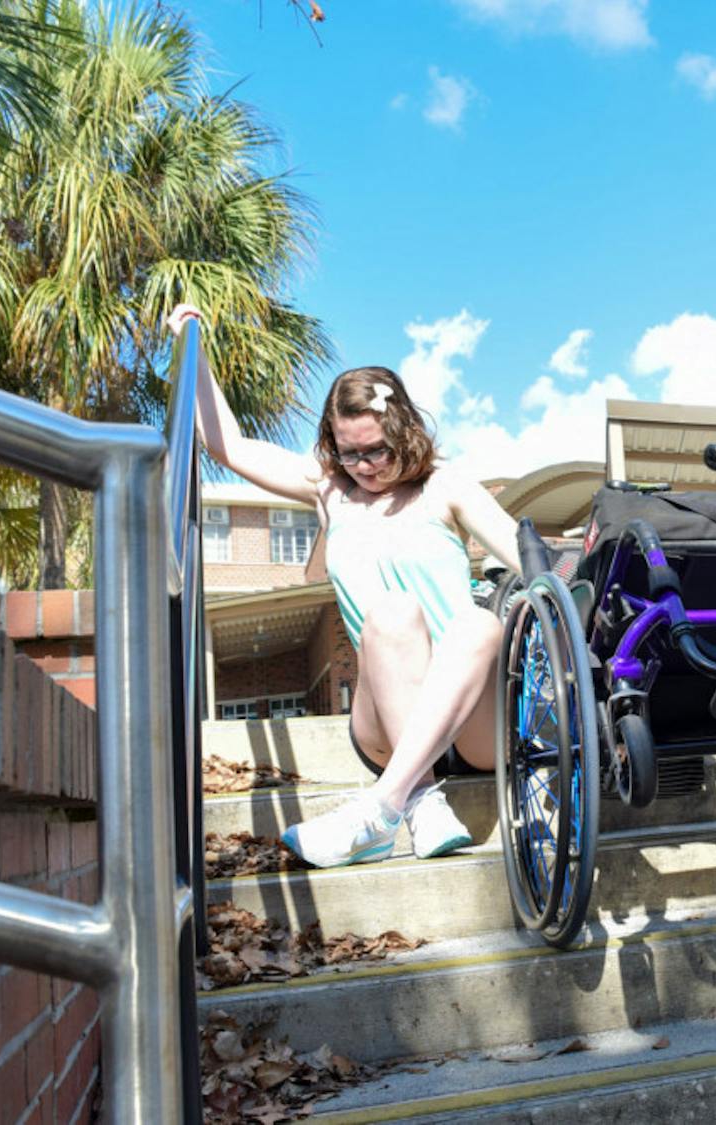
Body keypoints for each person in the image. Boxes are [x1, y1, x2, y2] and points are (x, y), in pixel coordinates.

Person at [169, 304, 521, 869]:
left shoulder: (446, 488)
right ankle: (420, 799)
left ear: (405, 432)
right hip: (384, 717)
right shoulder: (329, 491)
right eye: (348, 452)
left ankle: (384, 808)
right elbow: (226, 445)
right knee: (393, 612)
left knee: (480, 623)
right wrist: (194, 345)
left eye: (376, 449)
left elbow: (534, 560)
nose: (363, 465)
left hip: (471, 723)